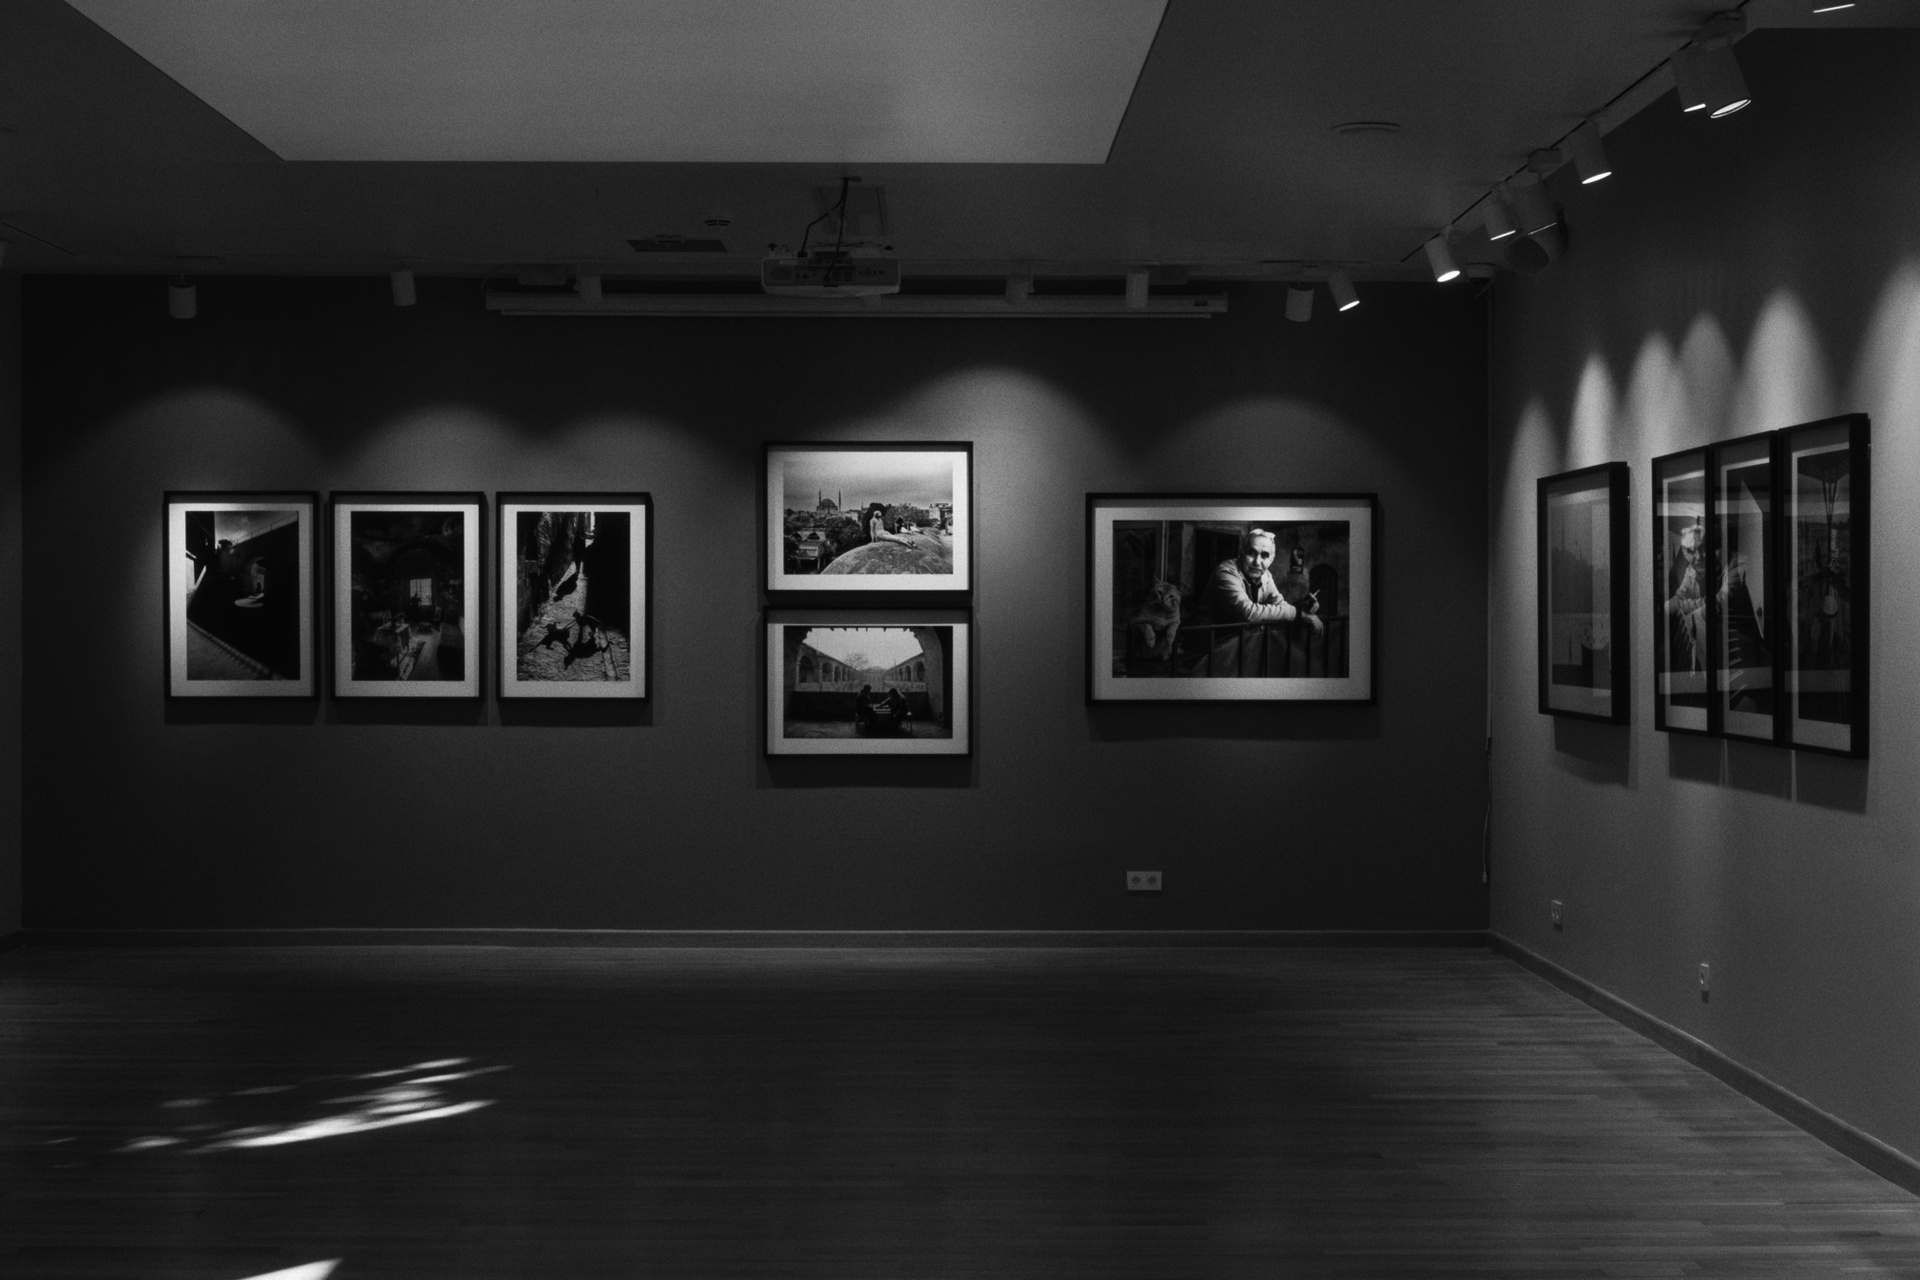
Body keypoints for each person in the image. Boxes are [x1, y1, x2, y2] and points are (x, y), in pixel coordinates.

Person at [1206, 529, 1323, 634]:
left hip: (1240, 641)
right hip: (1212, 642)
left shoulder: (1265, 575)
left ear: (1271, 559)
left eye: (1264, 555)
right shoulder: (1226, 572)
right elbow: (1248, 612)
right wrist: (1298, 614)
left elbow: (1279, 604)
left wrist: (1302, 608)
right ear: (1241, 553)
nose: (1257, 562)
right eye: (1251, 553)